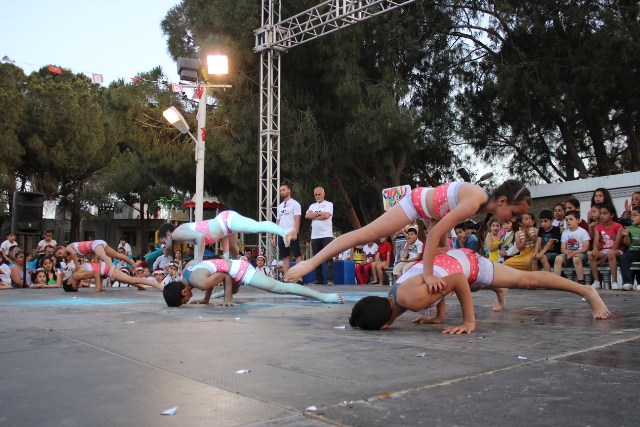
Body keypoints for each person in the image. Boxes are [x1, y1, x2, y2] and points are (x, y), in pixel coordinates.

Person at [285, 180, 531, 293]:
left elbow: (440, 219)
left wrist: (440, 248)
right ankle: (311, 263)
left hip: (432, 211)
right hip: (416, 203)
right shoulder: (476, 200)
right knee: (364, 234)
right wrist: (428, 273)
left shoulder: (481, 204)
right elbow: (434, 233)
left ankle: (495, 293)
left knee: (445, 253)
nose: (513, 220)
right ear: (502, 201)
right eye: (514, 213)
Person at [349, 248, 610, 332]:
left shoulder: (413, 300)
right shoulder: (395, 292)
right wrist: (439, 316)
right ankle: (498, 290)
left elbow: (457, 281)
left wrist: (469, 321)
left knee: (527, 280)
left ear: (385, 326)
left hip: (468, 264)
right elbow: (437, 284)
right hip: (450, 260)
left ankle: (587, 291)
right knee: (466, 287)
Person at [162, 258, 345, 307]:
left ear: (184, 292)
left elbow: (224, 275)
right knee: (233, 290)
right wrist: (206, 299)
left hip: (239, 270)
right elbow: (209, 278)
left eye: (184, 301)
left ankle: (324, 297)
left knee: (280, 288)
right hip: (230, 267)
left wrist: (227, 300)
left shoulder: (198, 282)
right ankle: (224, 294)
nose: (187, 301)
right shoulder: (186, 273)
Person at [160, 210, 296, 266]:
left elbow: (200, 237)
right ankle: (236, 270)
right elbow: (221, 235)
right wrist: (225, 256)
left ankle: (284, 232)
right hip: (225, 226)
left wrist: (197, 260)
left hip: (225, 221)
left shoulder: (176, 233)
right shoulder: (183, 233)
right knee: (233, 251)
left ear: (167, 235)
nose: (165, 246)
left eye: (164, 242)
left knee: (255, 227)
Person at [62, 261, 161, 292]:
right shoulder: (75, 273)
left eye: (76, 285)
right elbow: (98, 273)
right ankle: (141, 286)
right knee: (127, 280)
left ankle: (157, 285)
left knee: (131, 279)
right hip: (104, 269)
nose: (78, 284)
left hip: (107, 269)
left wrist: (97, 288)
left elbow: (96, 273)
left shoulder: (76, 275)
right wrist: (100, 287)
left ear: (69, 281)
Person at [589, 203, 623, 289]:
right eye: (601, 213)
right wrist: (595, 249)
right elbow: (596, 240)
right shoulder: (598, 227)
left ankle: (614, 281)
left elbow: (617, 244)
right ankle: (596, 281)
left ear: (611, 215)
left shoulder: (618, 226)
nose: (602, 215)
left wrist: (607, 255)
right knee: (591, 254)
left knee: (611, 253)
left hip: (617, 250)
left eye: (605, 213)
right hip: (604, 250)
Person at [271, 183, 303, 275]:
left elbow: (297, 219)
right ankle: (286, 277)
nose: (282, 192)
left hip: (291, 232)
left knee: (297, 255)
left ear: (289, 190)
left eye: (284, 190)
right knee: (285, 256)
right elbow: (278, 221)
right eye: (280, 190)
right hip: (282, 233)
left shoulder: (295, 204)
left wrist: (295, 232)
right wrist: (274, 236)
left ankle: (299, 277)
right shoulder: (280, 206)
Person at [65, 240, 136, 281]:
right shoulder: (76, 250)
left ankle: (111, 266)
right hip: (96, 244)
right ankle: (132, 263)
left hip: (95, 244)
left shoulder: (68, 248)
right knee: (117, 255)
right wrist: (95, 262)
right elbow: (91, 251)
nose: (60, 255)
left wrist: (77, 267)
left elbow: (74, 254)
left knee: (103, 256)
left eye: (60, 253)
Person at [553, 211, 591, 284]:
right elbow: (563, 248)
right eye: (566, 220)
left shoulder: (582, 231)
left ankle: (581, 281)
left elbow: (586, 247)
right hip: (568, 254)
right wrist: (567, 252)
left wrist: (574, 252)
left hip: (580, 254)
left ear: (578, 220)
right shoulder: (565, 233)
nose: (568, 221)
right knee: (558, 258)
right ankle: (556, 281)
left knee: (576, 258)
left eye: (571, 219)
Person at [306, 187, 334, 284]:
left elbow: (326, 216)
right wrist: (319, 214)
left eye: (319, 194)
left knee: (328, 257)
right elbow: (307, 216)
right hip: (315, 236)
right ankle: (319, 279)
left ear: (323, 194)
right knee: (317, 258)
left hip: (326, 235)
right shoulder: (312, 206)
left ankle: (330, 279)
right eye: (316, 195)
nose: (317, 196)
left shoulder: (329, 204)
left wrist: (314, 215)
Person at [618, 206, 640, 290]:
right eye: (631, 215)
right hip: (632, 251)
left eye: (635, 215)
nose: (632, 217)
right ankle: (627, 282)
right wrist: (626, 236)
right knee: (623, 258)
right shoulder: (629, 228)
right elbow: (627, 244)